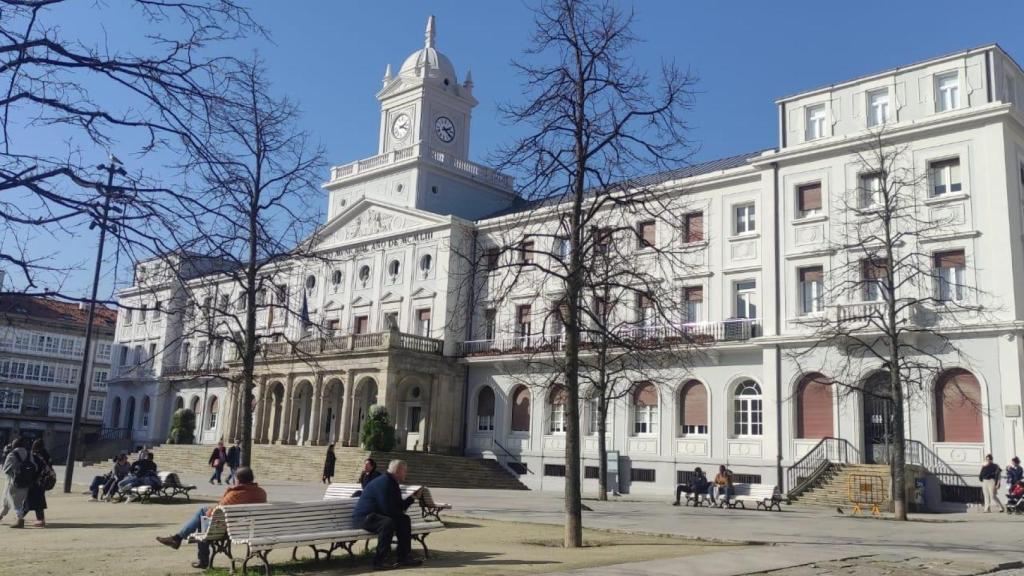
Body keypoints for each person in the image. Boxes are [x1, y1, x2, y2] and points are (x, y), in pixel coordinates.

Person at [156, 466, 267, 569]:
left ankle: (181, 542)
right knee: (203, 514)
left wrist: (227, 493)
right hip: (249, 530)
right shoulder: (261, 493)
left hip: (230, 530)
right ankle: (178, 540)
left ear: (238, 479)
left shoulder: (235, 494)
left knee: (203, 515)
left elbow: (215, 513)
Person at [353, 459, 423, 570]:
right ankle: (379, 561)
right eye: (404, 471)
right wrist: (399, 511)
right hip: (364, 518)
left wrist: (412, 498)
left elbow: (397, 507)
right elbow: (388, 510)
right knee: (387, 522)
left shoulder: (392, 482)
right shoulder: (385, 483)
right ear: (397, 471)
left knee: (404, 520)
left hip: (376, 516)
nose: (406, 473)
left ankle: (404, 557)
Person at [1, 438, 32, 527]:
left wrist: (15, 474)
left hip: (13, 482)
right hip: (26, 482)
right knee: (13, 501)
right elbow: (35, 467)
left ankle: (20, 519)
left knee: (13, 502)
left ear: (14, 445)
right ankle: (1, 514)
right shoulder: (29, 454)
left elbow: (5, 469)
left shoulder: (12, 454)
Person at [21, 439, 51, 527]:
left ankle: (39, 519)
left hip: (36, 481)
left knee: (33, 500)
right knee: (35, 499)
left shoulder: (35, 455)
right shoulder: (46, 454)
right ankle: (22, 516)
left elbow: (34, 468)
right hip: (43, 480)